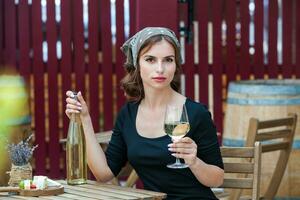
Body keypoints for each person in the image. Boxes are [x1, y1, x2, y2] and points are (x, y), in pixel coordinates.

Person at [65, 27, 224, 199]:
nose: (160, 68)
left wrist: (194, 162)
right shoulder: (128, 115)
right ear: (137, 64)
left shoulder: (196, 113)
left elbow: (217, 179)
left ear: (175, 65)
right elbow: (104, 174)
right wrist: (85, 120)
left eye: (168, 60)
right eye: (150, 60)